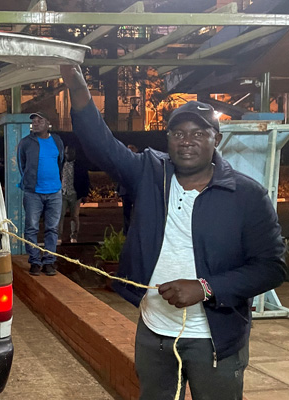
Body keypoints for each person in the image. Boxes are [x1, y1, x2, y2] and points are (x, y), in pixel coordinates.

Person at [60, 64, 286, 400]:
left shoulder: (246, 194)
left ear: (216, 139)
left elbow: (273, 266)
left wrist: (206, 288)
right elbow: (102, 144)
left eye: (199, 133)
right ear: (168, 139)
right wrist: (78, 87)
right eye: (178, 133)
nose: (187, 142)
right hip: (153, 332)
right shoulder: (150, 173)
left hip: (215, 339)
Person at [18, 111, 65, 276]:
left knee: (52, 228)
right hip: (33, 193)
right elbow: (21, 164)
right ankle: (35, 262)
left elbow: (61, 162)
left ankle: (49, 262)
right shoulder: (26, 143)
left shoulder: (57, 141)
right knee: (31, 228)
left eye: (40, 120)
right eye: (34, 121)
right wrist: (29, 182)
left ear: (48, 124)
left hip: (55, 192)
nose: (36, 123)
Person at [58, 145, 90, 243]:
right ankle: (59, 237)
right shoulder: (61, 164)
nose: (68, 155)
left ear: (74, 153)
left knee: (74, 216)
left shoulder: (80, 166)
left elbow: (85, 180)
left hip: (75, 194)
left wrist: (84, 194)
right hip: (63, 193)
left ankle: (74, 236)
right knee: (60, 215)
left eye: (70, 153)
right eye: (66, 153)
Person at [118, 144, 139, 235]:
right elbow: (120, 177)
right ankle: (127, 231)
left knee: (136, 212)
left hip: (135, 191)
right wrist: (117, 189)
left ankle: (134, 230)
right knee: (126, 213)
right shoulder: (123, 162)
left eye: (131, 150)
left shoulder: (139, 162)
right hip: (125, 191)